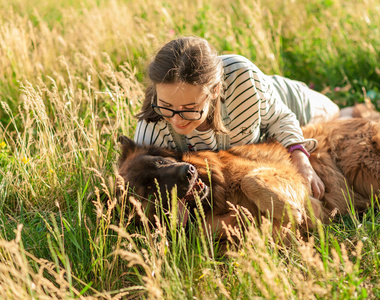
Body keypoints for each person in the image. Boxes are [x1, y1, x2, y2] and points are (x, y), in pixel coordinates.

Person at [134, 36, 340, 200]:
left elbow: (280, 117)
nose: (177, 120)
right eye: (167, 107)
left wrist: (301, 159)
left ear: (214, 91)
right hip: (258, 144)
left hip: (283, 100)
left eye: (189, 108)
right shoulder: (152, 132)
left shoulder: (243, 77)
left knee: (336, 113)